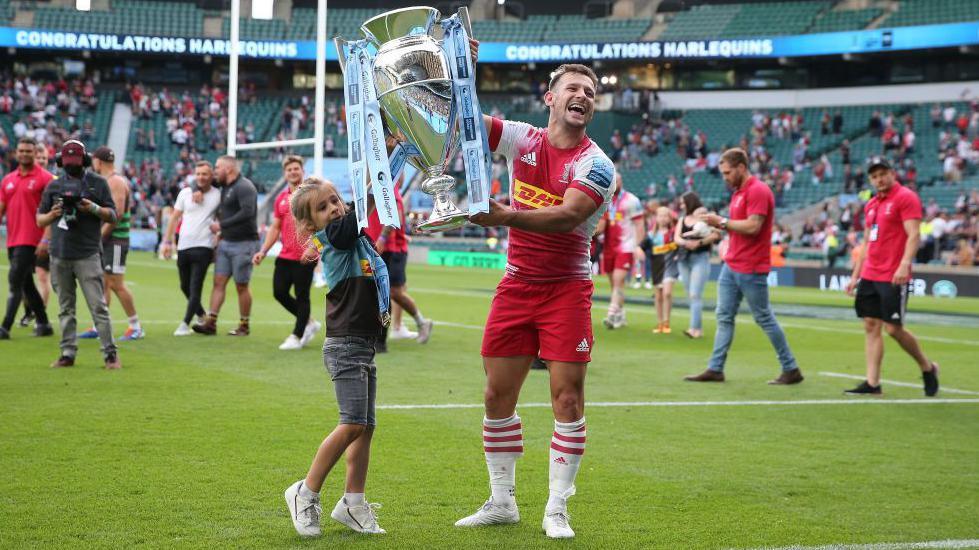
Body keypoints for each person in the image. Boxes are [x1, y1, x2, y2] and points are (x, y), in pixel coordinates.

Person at [458, 62, 616, 540]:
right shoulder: (522, 139)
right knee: (495, 396)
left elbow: (569, 217)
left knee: (567, 398)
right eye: (574, 88)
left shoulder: (598, 164)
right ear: (551, 98)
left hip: (566, 291)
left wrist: (504, 215)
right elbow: (461, 122)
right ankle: (502, 502)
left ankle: (556, 508)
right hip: (517, 285)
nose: (584, 96)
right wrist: (459, 67)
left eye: (590, 92)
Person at [282, 177, 387, 537]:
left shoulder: (352, 236)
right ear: (312, 225)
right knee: (353, 423)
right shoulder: (335, 238)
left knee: (365, 428)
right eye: (324, 207)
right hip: (345, 346)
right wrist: (377, 182)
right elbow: (353, 221)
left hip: (362, 344)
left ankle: (353, 504)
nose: (335, 208)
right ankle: (305, 491)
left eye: (336, 200)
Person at [684, 148, 803, 385]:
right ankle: (716, 368)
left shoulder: (758, 190)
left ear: (741, 167)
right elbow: (739, 227)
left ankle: (791, 368)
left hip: (751, 266)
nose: (725, 177)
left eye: (728, 172)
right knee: (724, 316)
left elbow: (753, 227)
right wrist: (715, 228)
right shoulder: (739, 192)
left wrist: (723, 222)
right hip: (733, 263)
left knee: (763, 317)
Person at [844, 157, 939, 396]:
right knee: (870, 325)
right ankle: (873, 383)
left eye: (882, 174)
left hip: (893, 274)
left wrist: (904, 264)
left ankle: (927, 367)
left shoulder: (906, 197)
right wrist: (855, 275)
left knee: (894, 329)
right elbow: (866, 242)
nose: (879, 179)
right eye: (874, 176)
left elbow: (914, 234)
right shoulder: (871, 204)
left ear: (892, 173)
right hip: (870, 273)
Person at [35, 140, 120, 369]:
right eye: (68, 163)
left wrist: (92, 208)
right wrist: (53, 214)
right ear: (61, 162)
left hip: (87, 254)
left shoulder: (98, 183)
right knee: (65, 308)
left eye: (76, 162)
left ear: (85, 160)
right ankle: (67, 353)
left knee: (98, 307)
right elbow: (39, 219)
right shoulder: (54, 186)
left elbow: (113, 215)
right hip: (60, 254)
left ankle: (110, 355)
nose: (72, 167)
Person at [252, 155, 320, 350]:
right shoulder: (281, 199)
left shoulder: (311, 196)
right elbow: (275, 227)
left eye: (296, 168)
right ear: (285, 173)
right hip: (285, 255)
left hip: (305, 256)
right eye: (289, 169)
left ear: (302, 171)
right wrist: (263, 251)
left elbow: (321, 226)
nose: (292, 172)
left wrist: (314, 248)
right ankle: (309, 322)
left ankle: (297, 336)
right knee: (279, 292)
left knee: (302, 295)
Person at [79, 147, 144, 340]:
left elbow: (118, 214)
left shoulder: (115, 181)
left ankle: (136, 326)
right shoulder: (107, 181)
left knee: (116, 284)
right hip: (109, 240)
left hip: (115, 241)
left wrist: (99, 237)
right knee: (104, 284)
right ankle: (99, 325)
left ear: (98, 161)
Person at [192, 155, 259, 336]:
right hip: (226, 242)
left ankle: (244, 325)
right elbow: (199, 180)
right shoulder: (225, 185)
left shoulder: (245, 186)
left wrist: (222, 225)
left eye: (217, 167)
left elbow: (248, 212)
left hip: (244, 243)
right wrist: (194, 189)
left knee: (241, 285)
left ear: (228, 169)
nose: (214, 172)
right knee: (218, 282)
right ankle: (211, 322)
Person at [365, 183, 433, 353]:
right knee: (380, 293)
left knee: (391, 293)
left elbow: (394, 214)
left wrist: (382, 238)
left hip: (392, 249)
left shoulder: (386, 186)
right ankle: (418, 323)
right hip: (374, 248)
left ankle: (381, 341)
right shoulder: (368, 186)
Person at [0, 137, 54, 340]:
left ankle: (4, 327)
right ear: (16, 152)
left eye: (28, 151)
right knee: (26, 283)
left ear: (34, 153)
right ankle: (44, 323)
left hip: (34, 239)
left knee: (14, 279)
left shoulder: (46, 179)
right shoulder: (8, 180)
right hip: (13, 240)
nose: (24, 154)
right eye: (21, 150)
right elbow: (1, 208)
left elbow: (52, 212)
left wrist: (46, 239)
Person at [161, 161, 221, 335]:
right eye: (199, 174)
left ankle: (185, 324)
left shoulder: (218, 194)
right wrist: (166, 242)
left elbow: (225, 215)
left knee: (196, 286)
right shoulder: (186, 193)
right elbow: (174, 218)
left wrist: (219, 233)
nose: (201, 177)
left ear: (211, 176)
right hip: (183, 246)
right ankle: (202, 315)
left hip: (204, 246)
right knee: (184, 286)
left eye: (205, 174)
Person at [596, 172, 644, 329]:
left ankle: (611, 314)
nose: (617, 183)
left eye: (619, 180)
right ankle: (621, 315)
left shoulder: (631, 200)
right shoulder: (605, 200)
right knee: (615, 284)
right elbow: (601, 224)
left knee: (618, 280)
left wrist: (637, 245)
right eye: (614, 181)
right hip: (609, 246)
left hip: (626, 246)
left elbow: (639, 225)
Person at [673, 192, 720, 339]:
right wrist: (687, 243)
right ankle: (695, 327)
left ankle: (695, 329)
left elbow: (715, 235)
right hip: (684, 258)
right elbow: (676, 238)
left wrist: (698, 243)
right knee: (690, 294)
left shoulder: (704, 217)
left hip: (700, 257)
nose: (681, 205)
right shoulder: (682, 219)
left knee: (695, 294)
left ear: (690, 202)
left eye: (683, 202)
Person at [18, 143, 54, 328]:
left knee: (41, 276)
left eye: (44, 159)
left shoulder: (52, 181)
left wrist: (48, 237)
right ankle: (28, 312)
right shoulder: (25, 180)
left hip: (45, 237)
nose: (41, 161)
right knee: (24, 278)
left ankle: (41, 317)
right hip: (25, 236)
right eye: (39, 158)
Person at [640, 206, 678, 334]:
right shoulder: (651, 235)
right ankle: (660, 323)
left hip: (670, 266)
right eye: (660, 216)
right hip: (656, 267)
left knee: (667, 293)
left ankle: (667, 322)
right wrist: (639, 252)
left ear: (669, 218)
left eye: (665, 216)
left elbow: (679, 247)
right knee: (658, 295)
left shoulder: (673, 233)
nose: (662, 218)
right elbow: (641, 246)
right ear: (656, 218)